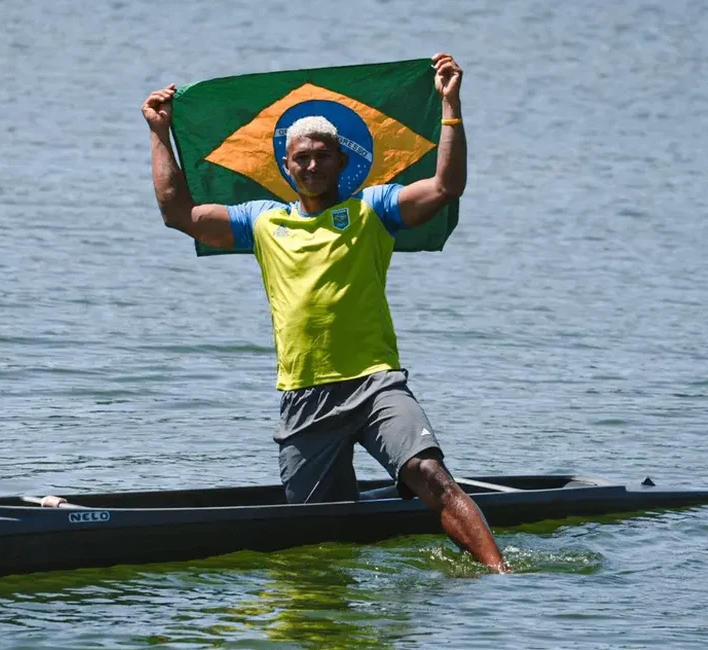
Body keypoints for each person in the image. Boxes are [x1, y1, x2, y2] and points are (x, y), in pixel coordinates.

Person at [142, 53, 508, 571]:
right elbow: (178, 213)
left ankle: (501, 576)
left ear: (341, 160)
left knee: (431, 474)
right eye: (300, 158)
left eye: (321, 155)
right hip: (305, 396)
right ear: (286, 166)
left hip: (375, 384)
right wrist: (159, 133)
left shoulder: (372, 210)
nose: (310, 165)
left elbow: (445, 188)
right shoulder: (262, 222)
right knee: (319, 537)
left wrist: (451, 105)